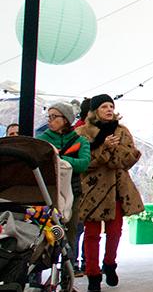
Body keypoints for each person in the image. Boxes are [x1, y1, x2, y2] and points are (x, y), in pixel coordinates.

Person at [74, 95, 144, 292]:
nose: (108, 109)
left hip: (117, 189)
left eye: (111, 106)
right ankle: (93, 274)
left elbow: (128, 159)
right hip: (92, 190)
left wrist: (115, 150)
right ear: (95, 110)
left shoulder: (122, 131)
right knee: (92, 234)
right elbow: (83, 163)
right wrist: (103, 148)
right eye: (104, 106)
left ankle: (110, 263)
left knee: (115, 232)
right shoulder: (81, 132)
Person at [37, 101, 90, 278]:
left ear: (66, 119)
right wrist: (64, 161)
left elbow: (83, 164)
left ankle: (67, 272)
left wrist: (60, 160)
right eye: (49, 116)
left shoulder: (80, 140)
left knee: (71, 231)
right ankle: (38, 272)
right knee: (48, 231)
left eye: (54, 116)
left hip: (72, 193)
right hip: (48, 194)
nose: (50, 120)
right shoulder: (42, 140)